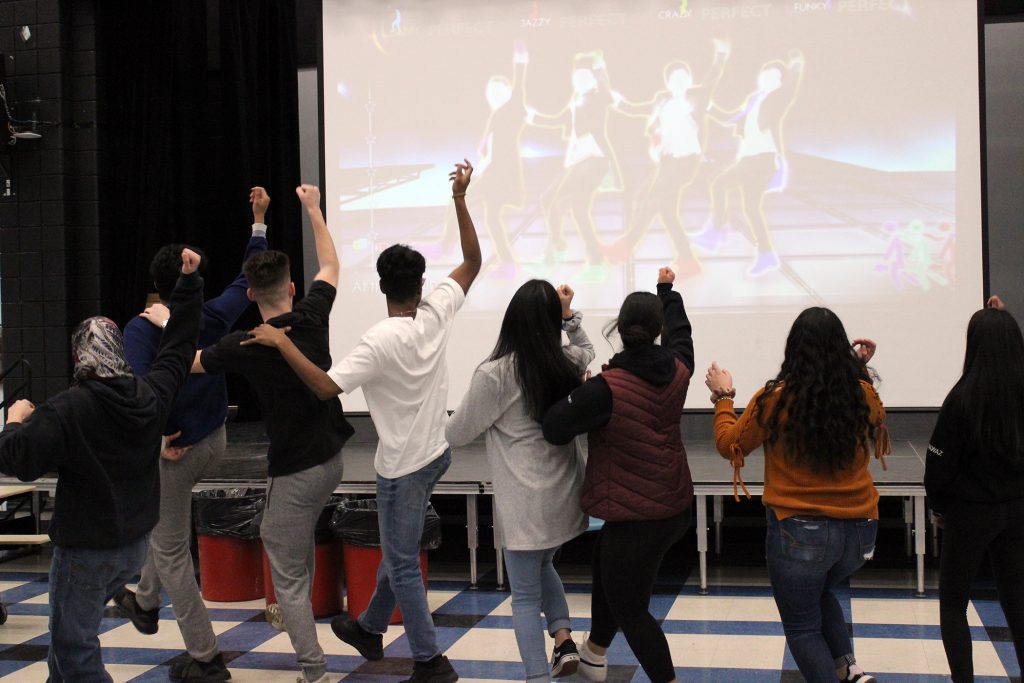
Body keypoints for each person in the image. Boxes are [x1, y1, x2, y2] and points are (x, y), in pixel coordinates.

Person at [242, 160, 481, 683]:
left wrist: (282, 342)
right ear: (421, 282)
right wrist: (460, 199)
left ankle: (430, 661)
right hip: (435, 454)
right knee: (401, 548)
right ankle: (371, 626)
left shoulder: (379, 341)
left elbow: (325, 385)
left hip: (401, 466)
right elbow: (472, 260)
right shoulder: (438, 308)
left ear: (381, 287)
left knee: (399, 561)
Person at [0, 249, 204, 683]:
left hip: (86, 550)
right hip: (133, 547)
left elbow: (19, 461)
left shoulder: (68, 410)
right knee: (68, 649)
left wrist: (14, 422)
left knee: (75, 653)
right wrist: (189, 285)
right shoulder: (149, 395)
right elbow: (180, 346)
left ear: (80, 358)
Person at [194, 184, 354, 683]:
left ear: (248, 296)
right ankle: (301, 613)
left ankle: (314, 670)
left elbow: (191, 364)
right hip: (332, 460)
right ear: (290, 288)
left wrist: (161, 329)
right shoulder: (310, 315)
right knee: (292, 539)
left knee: (282, 565)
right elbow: (330, 265)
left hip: (297, 470)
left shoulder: (244, 344)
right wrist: (313, 208)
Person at [111, 187, 270, 682]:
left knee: (171, 548)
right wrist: (258, 222)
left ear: (154, 286)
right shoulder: (209, 315)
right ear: (193, 276)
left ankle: (206, 658)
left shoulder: (139, 331)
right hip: (216, 440)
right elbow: (249, 279)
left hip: (175, 452)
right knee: (167, 530)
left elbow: (141, 395)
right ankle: (144, 600)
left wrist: (156, 440)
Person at [706, 309, 886, 683]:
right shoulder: (863, 394)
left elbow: (730, 444)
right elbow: (873, 410)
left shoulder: (774, 399)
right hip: (860, 531)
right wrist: (859, 368)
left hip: (800, 533)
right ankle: (850, 670)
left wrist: (723, 397)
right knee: (818, 592)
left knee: (803, 627)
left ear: (793, 350)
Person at [541, 267, 694, 683]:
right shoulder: (680, 368)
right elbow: (683, 335)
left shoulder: (606, 388)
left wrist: (575, 388)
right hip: (674, 506)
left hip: (636, 516)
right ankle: (594, 654)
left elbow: (554, 427)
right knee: (606, 562)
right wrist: (668, 291)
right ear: (658, 329)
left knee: (631, 607)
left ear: (619, 331)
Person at [446, 280, 594, 682]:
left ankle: (536, 678)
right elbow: (588, 350)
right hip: (564, 493)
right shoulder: (566, 362)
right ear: (550, 323)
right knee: (544, 563)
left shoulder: (495, 373)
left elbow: (456, 434)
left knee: (525, 598)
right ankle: (563, 640)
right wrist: (570, 318)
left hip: (524, 502)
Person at [926, 294, 1024, 682]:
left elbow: (938, 467)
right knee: (1018, 605)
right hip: (1016, 510)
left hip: (969, 514)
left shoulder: (962, 398)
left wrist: (939, 507)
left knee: (953, 605)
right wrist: (1001, 319)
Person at [608, 39, 730, 277]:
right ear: (668, 81)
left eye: (684, 77)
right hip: (666, 160)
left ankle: (625, 246)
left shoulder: (697, 97)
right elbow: (637, 109)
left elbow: (712, 79)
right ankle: (688, 261)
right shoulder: (661, 100)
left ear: (688, 80)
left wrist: (721, 56)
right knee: (666, 211)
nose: (679, 82)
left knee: (650, 198)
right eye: (675, 78)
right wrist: (619, 101)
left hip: (685, 161)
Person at [693, 49, 804, 276]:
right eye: (765, 75)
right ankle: (767, 255)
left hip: (762, 161)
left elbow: (791, 89)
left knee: (719, 184)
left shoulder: (778, 98)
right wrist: (710, 107)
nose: (767, 79)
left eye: (773, 77)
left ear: (780, 82)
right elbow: (730, 118)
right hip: (749, 159)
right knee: (751, 208)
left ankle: (716, 231)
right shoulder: (754, 99)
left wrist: (796, 65)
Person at [527, 50, 622, 275]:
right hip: (580, 160)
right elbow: (558, 120)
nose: (580, 80)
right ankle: (594, 259)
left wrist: (600, 66)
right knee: (572, 208)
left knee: (554, 201)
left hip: (593, 159)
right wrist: (533, 117)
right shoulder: (576, 102)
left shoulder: (598, 97)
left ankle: (554, 250)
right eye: (576, 76)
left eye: (585, 76)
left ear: (592, 79)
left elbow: (606, 88)